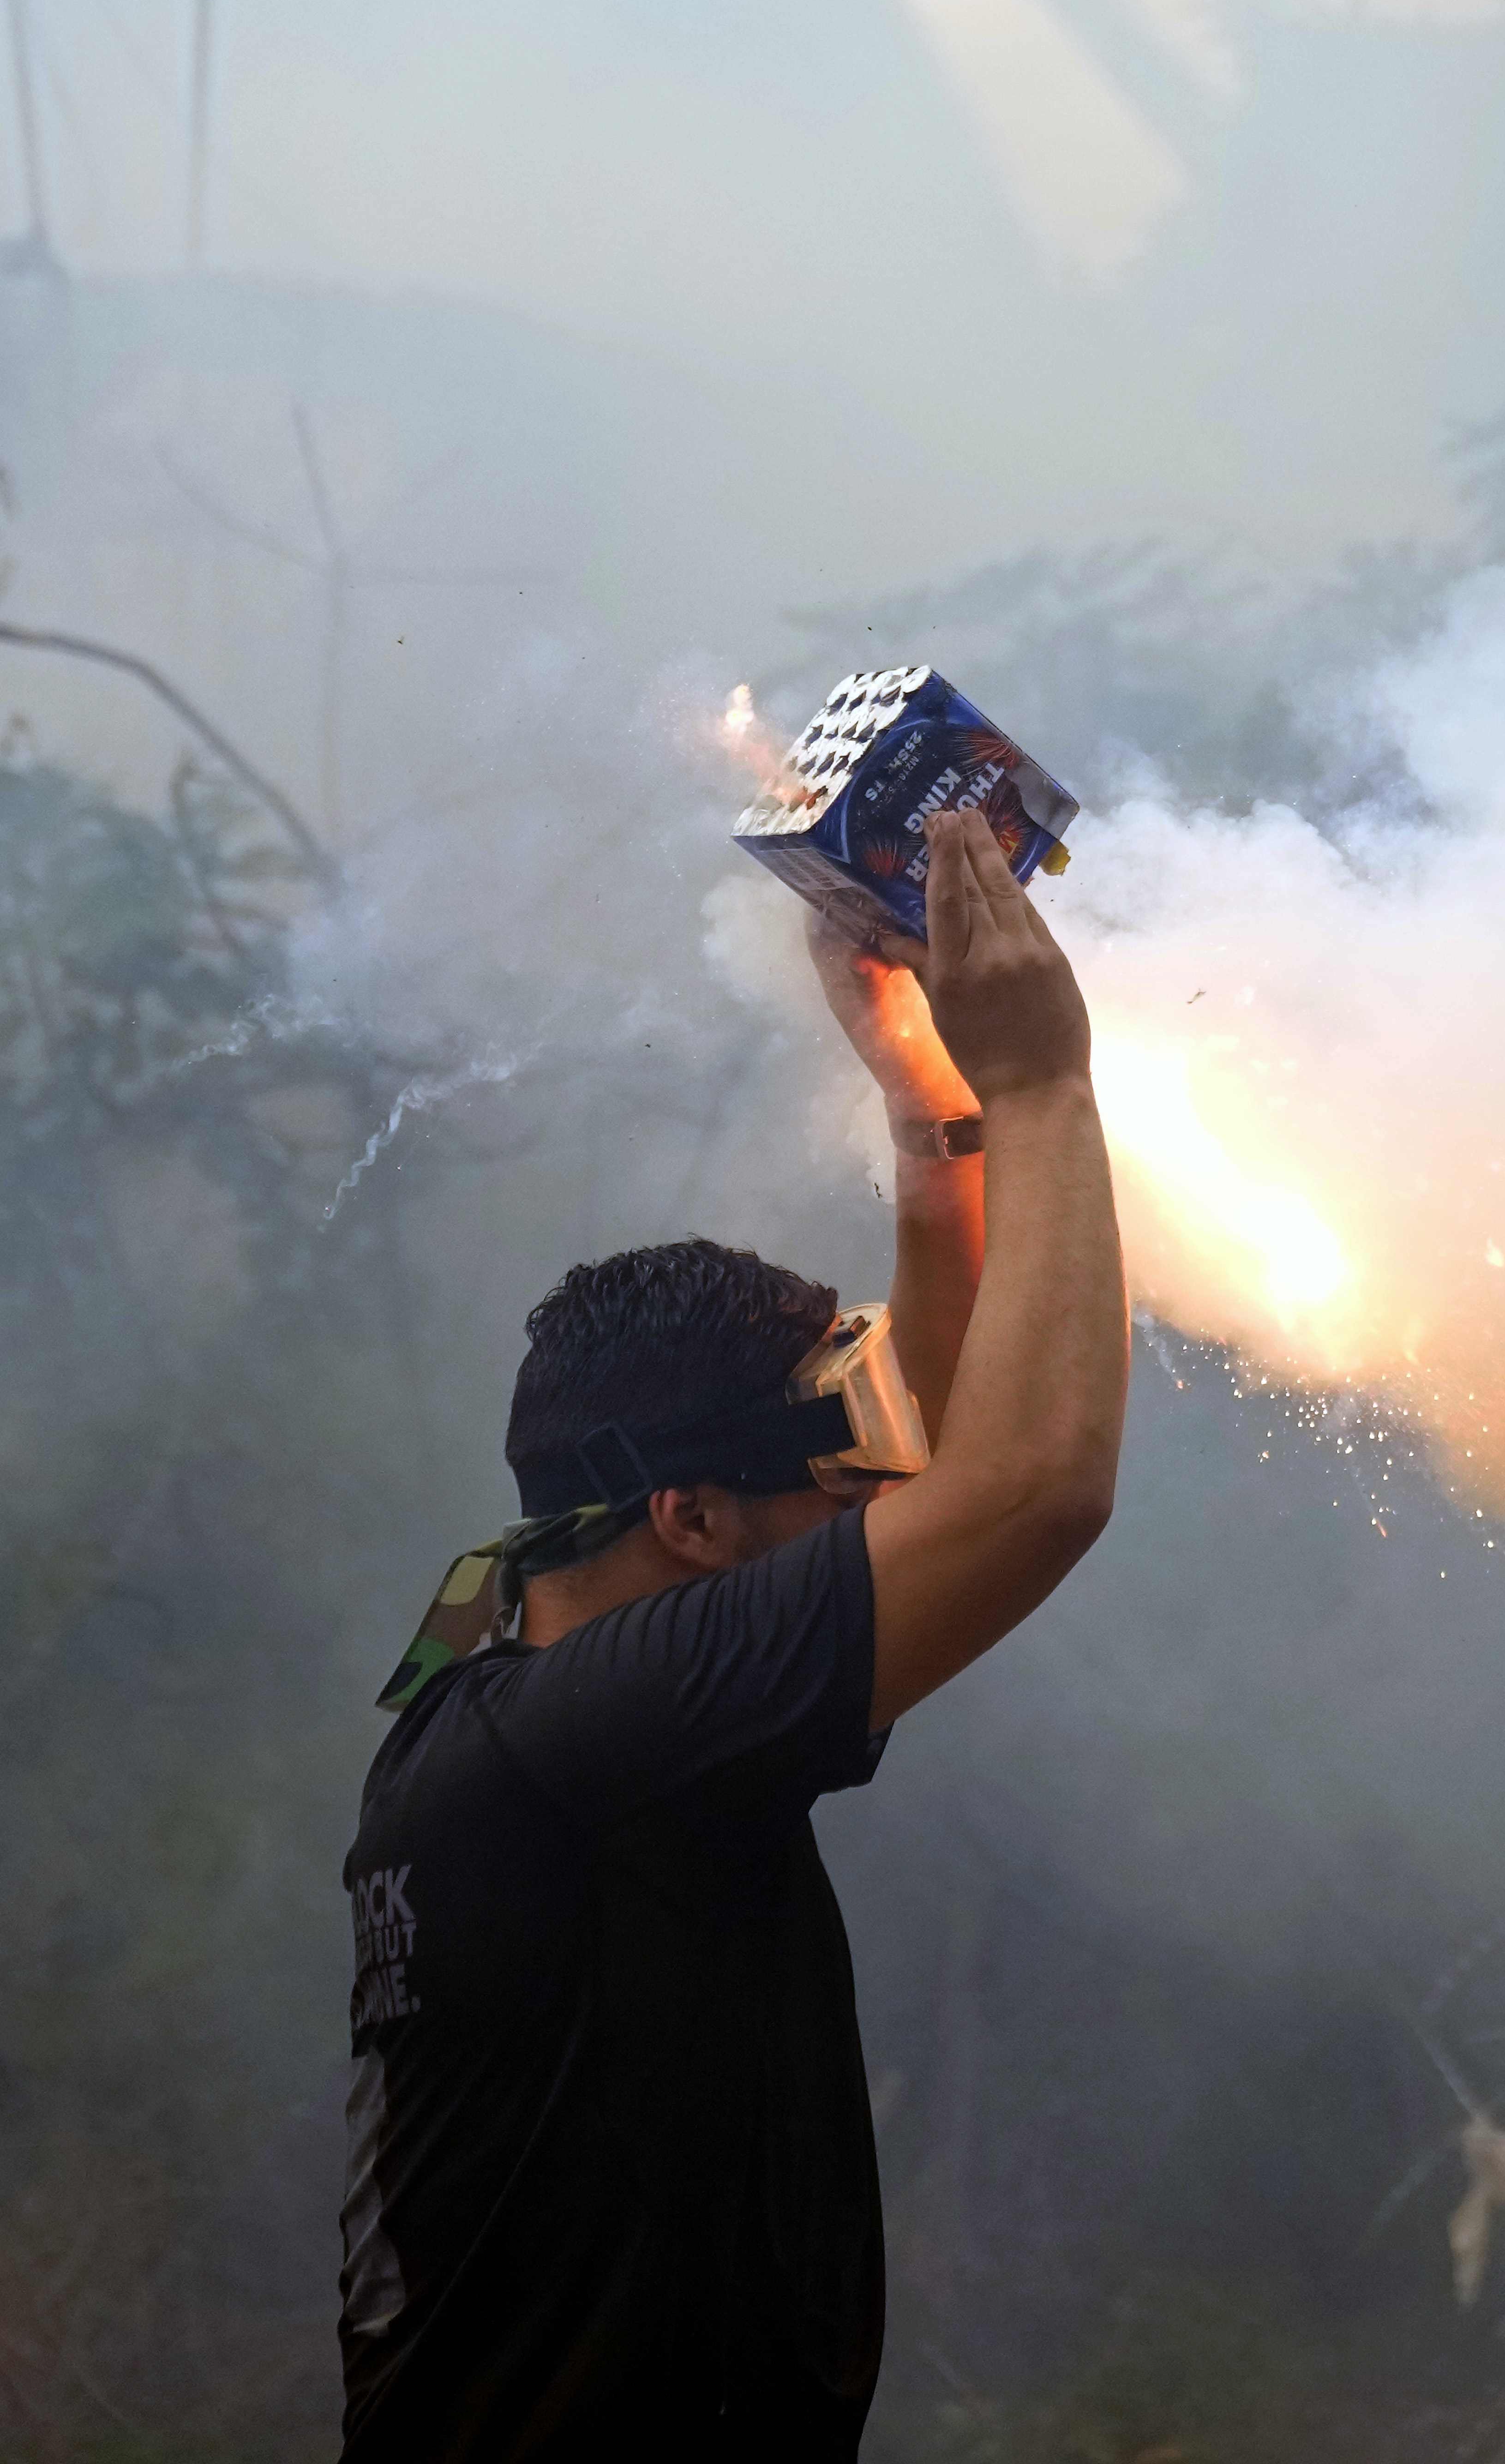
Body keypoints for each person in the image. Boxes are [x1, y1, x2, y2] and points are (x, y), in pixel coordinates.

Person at [335, 811, 1127, 2459]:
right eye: (832, 1464)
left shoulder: (549, 1710)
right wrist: (1044, 1083)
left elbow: (948, 1451)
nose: (879, 1493)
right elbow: (1026, 1485)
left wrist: (935, 1114)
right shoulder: (610, 1733)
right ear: (691, 1518)